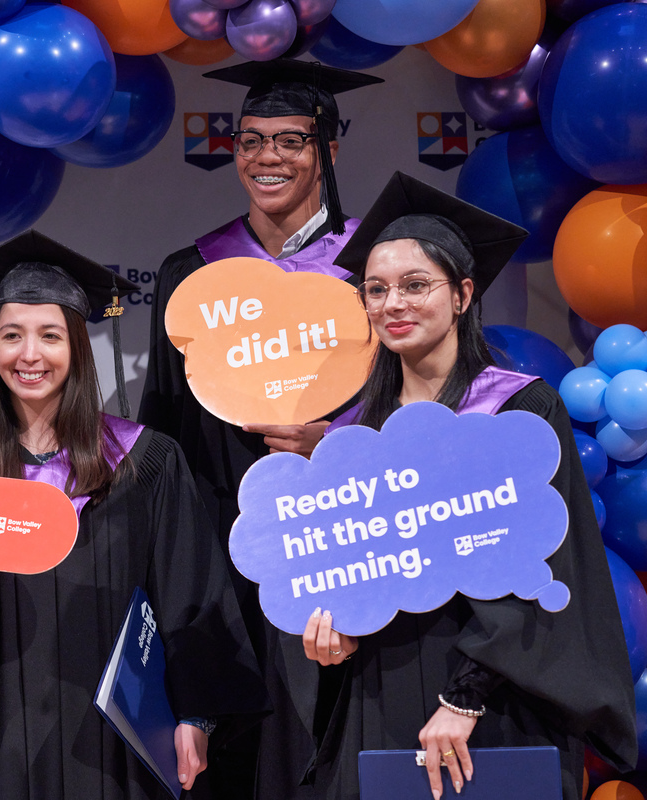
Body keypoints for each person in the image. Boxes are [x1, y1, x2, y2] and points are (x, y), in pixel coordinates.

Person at [0, 230, 268, 800]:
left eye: (50, 335)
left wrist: (197, 714)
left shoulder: (144, 461)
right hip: (14, 739)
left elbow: (191, 588)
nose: (29, 354)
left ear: (78, 349)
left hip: (123, 744)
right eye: (12, 335)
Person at [300, 172, 636, 800]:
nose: (392, 304)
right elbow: (349, 570)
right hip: (383, 684)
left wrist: (465, 697)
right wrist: (334, 632)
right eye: (376, 289)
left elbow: (549, 562)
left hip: (504, 690)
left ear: (461, 294)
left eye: (415, 285)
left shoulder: (518, 410)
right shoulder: (356, 433)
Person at [138, 57, 382, 798]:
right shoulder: (191, 275)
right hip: (222, 547)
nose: (266, 157)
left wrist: (338, 441)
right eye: (250, 140)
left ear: (328, 151)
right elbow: (165, 428)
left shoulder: (373, 269)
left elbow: (420, 409)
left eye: (290, 140)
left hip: (344, 541)